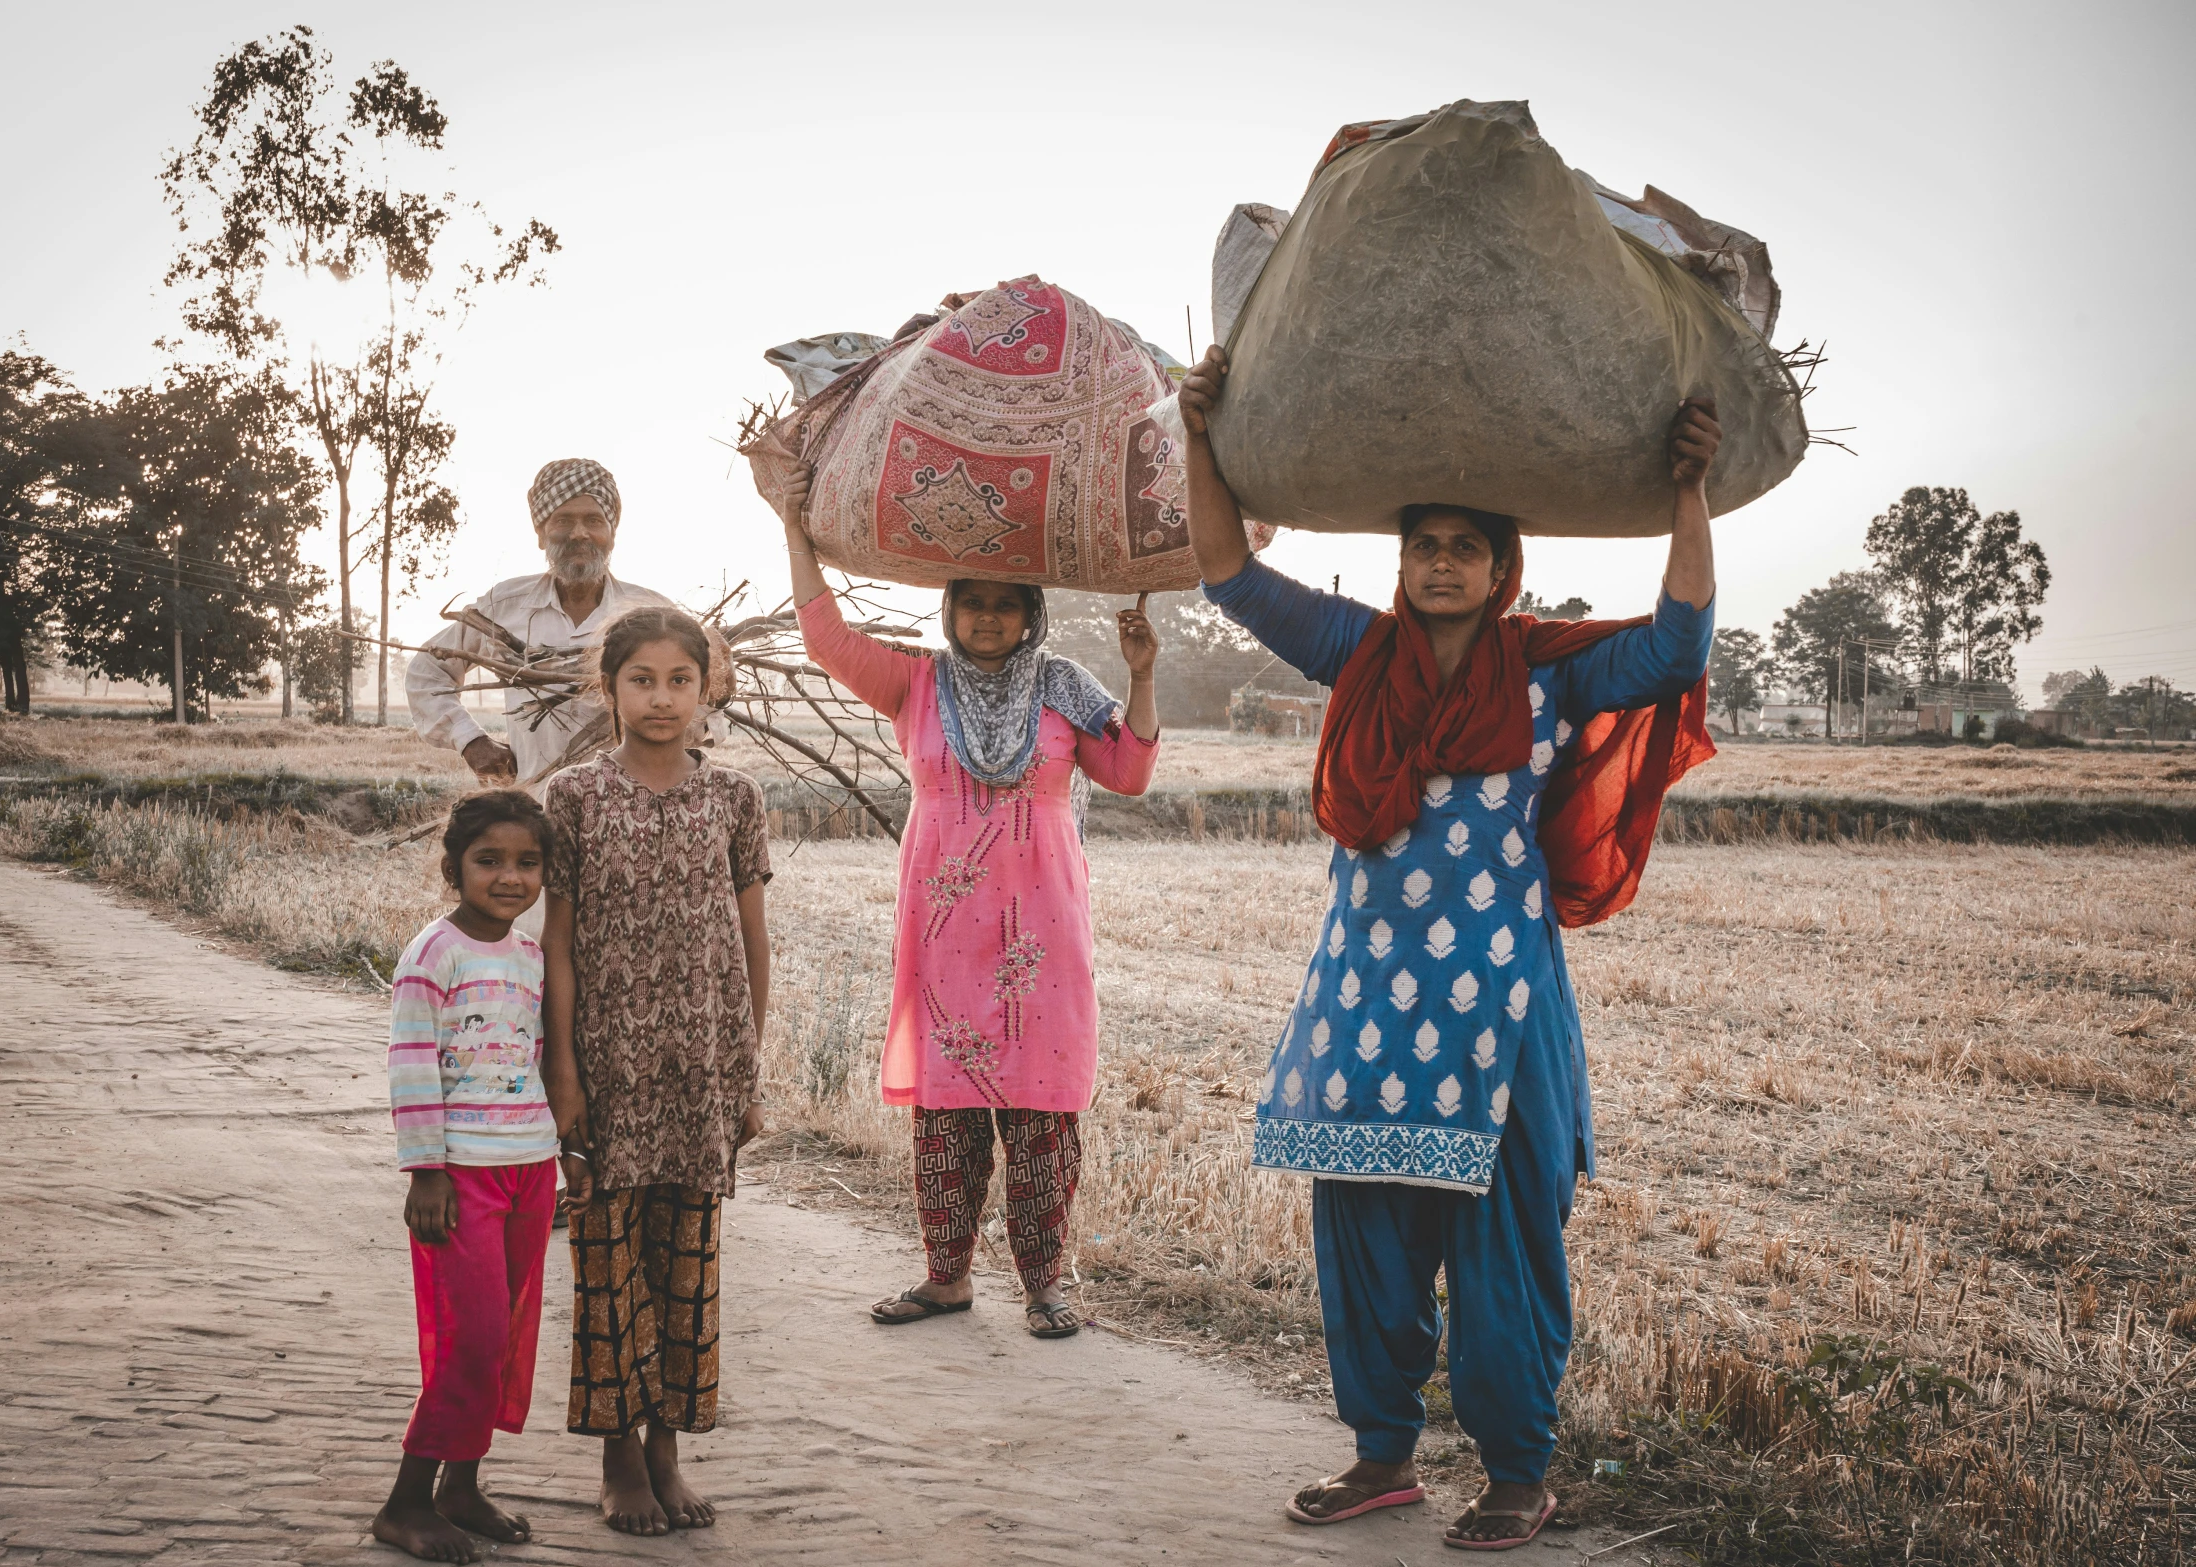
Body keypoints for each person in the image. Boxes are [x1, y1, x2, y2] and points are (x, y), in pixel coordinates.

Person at [1178, 346, 1720, 1549]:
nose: (1439, 564)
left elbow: (1678, 647)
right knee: (1363, 1234)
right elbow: (1225, 572)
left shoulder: (1546, 672)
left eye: (1464, 548)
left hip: (1501, 1014)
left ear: (1501, 566)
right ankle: (1380, 1458)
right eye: (1423, 546)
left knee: (1501, 1248)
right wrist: (1196, 433)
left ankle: (1518, 1473)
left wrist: (1686, 491)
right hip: (1362, 1000)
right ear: (1402, 562)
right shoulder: (1351, 651)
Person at [777, 465, 1162, 1340]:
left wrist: (1139, 674)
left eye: (1006, 603)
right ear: (948, 608)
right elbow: (827, 638)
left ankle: (1045, 1286)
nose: (988, 617)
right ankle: (945, 1278)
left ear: (1031, 611)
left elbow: (1132, 773)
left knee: (1040, 1115)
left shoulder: (1065, 687)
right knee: (947, 1112)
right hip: (945, 933)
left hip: (1045, 932)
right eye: (972, 602)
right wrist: (792, 526)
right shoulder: (916, 685)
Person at [539, 605, 772, 1537]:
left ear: (708, 686)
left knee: (687, 1265)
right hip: (609, 1067)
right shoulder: (575, 797)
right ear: (610, 688)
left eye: (682, 679)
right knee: (607, 1266)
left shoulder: (737, 797)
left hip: (702, 1073)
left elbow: (754, 942)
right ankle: (617, 1459)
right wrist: (564, 1069)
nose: (663, 697)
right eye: (642, 679)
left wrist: (748, 1070)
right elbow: (557, 943)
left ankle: (668, 1445)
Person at [373, 789, 572, 1563]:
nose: (511, 877)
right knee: (470, 1338)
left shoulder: (531, 957)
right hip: (460, 1180)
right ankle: (403, 1503)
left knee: (505, 1338)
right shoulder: (433, 953)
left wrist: (567, 1153)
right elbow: (411, 1065)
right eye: (489, 860)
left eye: (528, 862)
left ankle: (460, 1486)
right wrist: (424, 1170)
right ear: (453, 864)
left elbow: (543, 1061)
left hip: (531, 1167)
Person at [406, 458, 674, 788]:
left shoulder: (653, 614)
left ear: (611, 534)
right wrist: (469, 739)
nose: (579, 534)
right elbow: (426, 671)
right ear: (541, 534)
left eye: (593, 520)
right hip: (536, 810)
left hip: (634, 810)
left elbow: (703, 709)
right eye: (563, 520)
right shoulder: (504, 606)